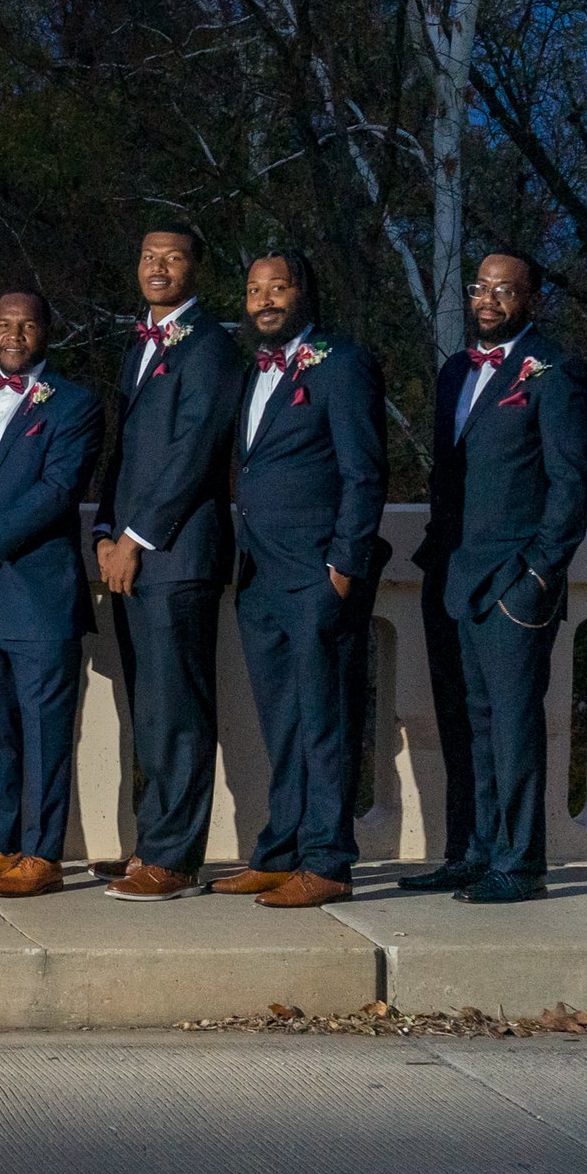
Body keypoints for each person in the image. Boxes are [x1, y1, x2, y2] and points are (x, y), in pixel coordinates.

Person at [398, 252, 587, 904]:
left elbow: (572, 484)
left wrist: (539, 573)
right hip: (456, 577)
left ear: (532, 298)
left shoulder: (555, 371)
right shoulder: (456, 370)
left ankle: (520, 862)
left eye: (504, 289)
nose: (488, 298)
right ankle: (477, 851)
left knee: (512, 727)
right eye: (481, 286)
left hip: (514, 584)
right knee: (472, 727)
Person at [209, 252, 387, 909]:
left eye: (277, 287)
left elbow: (365, 474)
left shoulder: (341, 364)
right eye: (254, 288)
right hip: (257, 575)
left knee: (326, 722)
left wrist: (342, 567)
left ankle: (328, 860)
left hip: (317, 577)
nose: (264, 300)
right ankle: (280, 850)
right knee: (282, 722)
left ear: (304, 292)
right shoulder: (250, 371)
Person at [0, 292, 102, 899]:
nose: (14, 334)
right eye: (4, 323)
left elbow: (58, 489)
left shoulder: (75, 404)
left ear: (45, 333)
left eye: (27, 324)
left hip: (37, 596)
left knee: (45, 733)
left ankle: (42, 854)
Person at [91, 226, 241, 901]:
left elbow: (194, 454)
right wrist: (101, 528)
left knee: (177, 708)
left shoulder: (210, 346)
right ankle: (151, 842)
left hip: (176, 555)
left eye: (173, 256)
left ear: (194, 269)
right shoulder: (140, 348)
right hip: (131, 555)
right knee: (148, 708)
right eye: (148, 255)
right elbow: (125, 454)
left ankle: (175, 859)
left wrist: (134, 538)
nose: (157, 266)